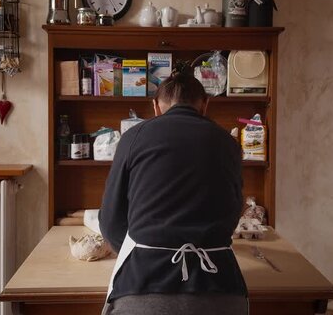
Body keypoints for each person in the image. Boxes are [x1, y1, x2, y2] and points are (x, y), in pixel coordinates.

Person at [99, 66, 248, 315]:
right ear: (205, 105)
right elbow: (233, 212)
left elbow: (111, 220)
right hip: (221, 289)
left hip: (143, 287)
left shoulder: (134, 137)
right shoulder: (228, 143)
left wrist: (139, 250)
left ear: (156, 106)